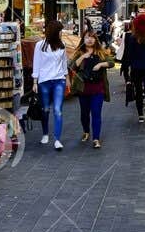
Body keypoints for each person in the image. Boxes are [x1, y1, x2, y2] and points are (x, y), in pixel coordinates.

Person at [69, 29, 115, 148]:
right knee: (84, 113)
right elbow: (72, 66)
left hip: (98, 88)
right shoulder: (79, 52)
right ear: (83, 40)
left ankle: (96, 138)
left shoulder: (100, 52)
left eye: (92, 37)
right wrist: (83, 56)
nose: (89, 39)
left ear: (95, 39)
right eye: (87, 37)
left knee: (96, 113)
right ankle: (86, 131)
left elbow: (111, 62)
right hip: (83, 88)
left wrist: (100, 64)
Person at [32, 19, 69, 150]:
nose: (61, 33)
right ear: (54, 32)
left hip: (59, 80)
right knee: (45, 109)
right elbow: (36, 63)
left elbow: (64, 63)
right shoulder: (40, 45)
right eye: (60, 31)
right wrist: (35, 81)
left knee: (58, 110)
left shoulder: (62, 45)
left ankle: (57, 139)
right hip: (44, 81)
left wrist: (67, 78)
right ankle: (45, 133)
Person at [120, 11, 145, 123]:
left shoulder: (132, 38)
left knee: (137, 90)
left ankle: (140, 115)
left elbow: (127, 54)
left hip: (135, 68)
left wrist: (126, 70)